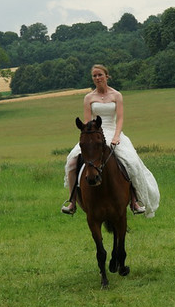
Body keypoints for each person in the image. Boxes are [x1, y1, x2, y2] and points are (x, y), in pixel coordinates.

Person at [62, 65, 160, 217]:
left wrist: (116, 136)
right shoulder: (88, 98)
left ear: (107, 76)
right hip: (94, 135)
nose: (97, 78)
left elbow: (120, 118)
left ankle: (135, 200)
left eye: (100, 75)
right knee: (71, 162)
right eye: (94, 76)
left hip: (114, 131)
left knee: (131, 162)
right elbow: (88, 122)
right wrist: (90, 139)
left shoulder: (117, 95)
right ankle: (72, 201)